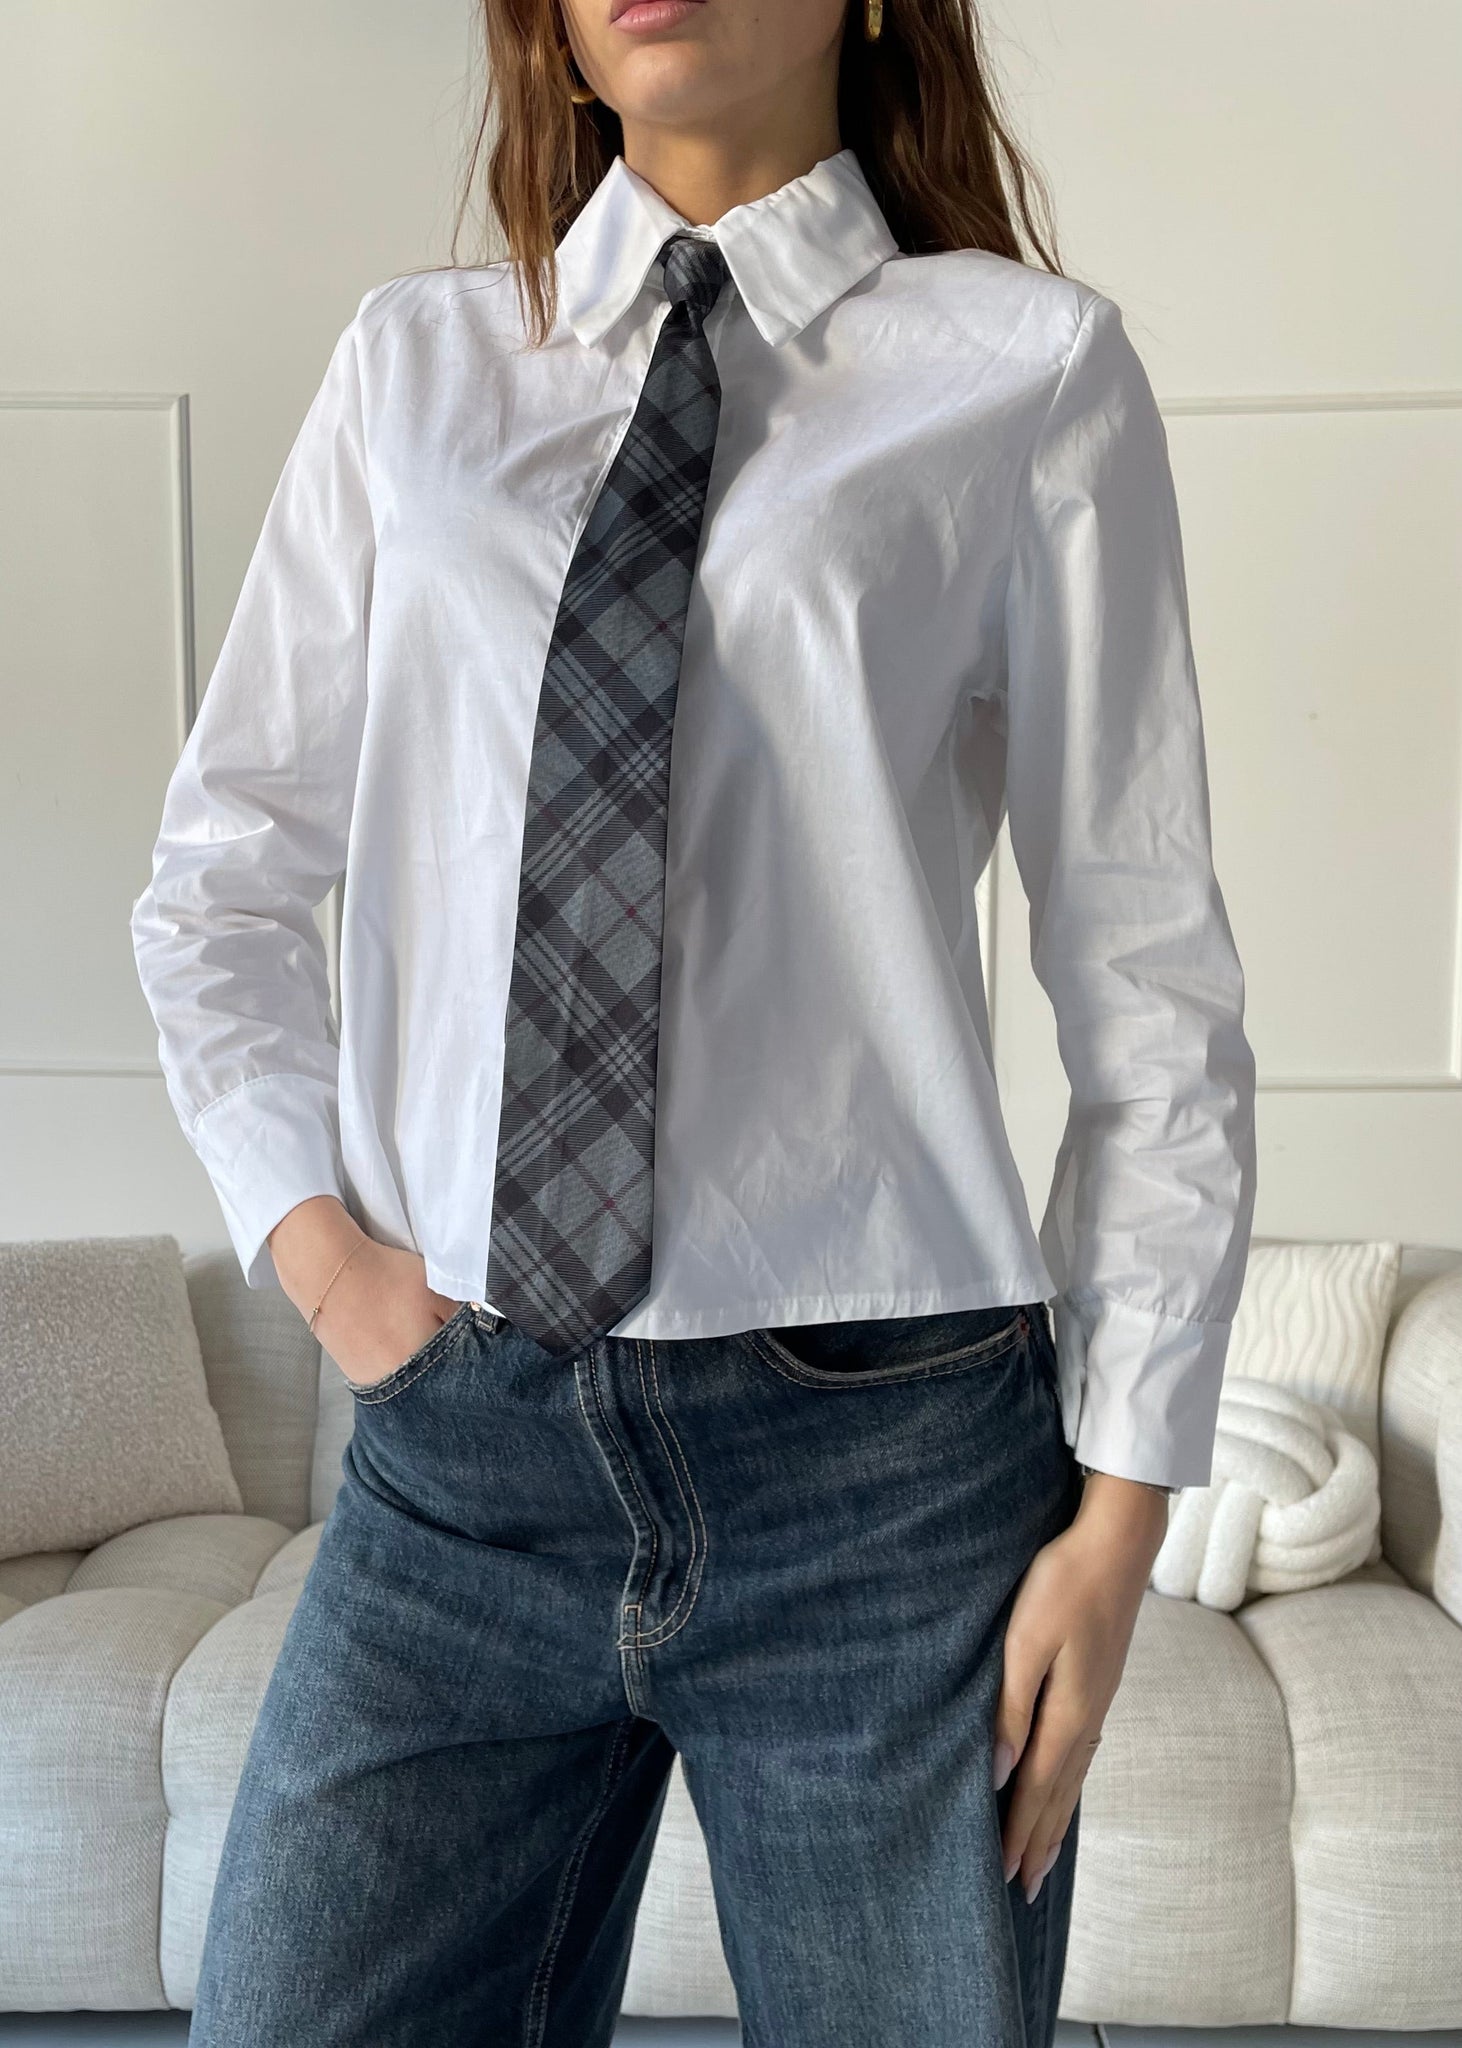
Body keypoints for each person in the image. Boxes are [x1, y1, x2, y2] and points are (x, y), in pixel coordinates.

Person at [131, 0, 1258, 2042]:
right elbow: (221, 877)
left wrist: (1119, 1514)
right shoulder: (412, 370)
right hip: (461, 1448)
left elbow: (1144, 967)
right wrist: (329, 1268)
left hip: (888, 1479)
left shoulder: (1026, 374)